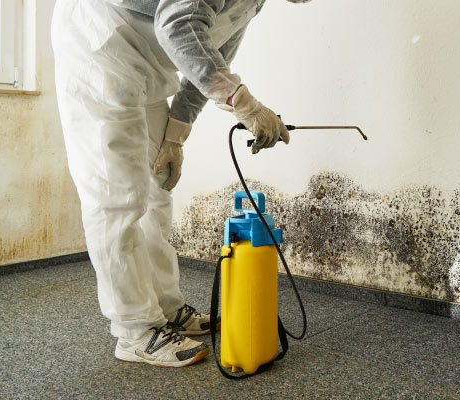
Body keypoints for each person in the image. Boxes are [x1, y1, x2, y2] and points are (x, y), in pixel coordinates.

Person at [51, 0, 310, 368]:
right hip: (100, 45)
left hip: (146, 64)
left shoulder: (254, 2)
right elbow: (177, 23)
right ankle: (135, 328)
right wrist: (244, 103)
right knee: (117, 195)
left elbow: (210, 56)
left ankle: (167, 309)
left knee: (158, 188)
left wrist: (176, 134)